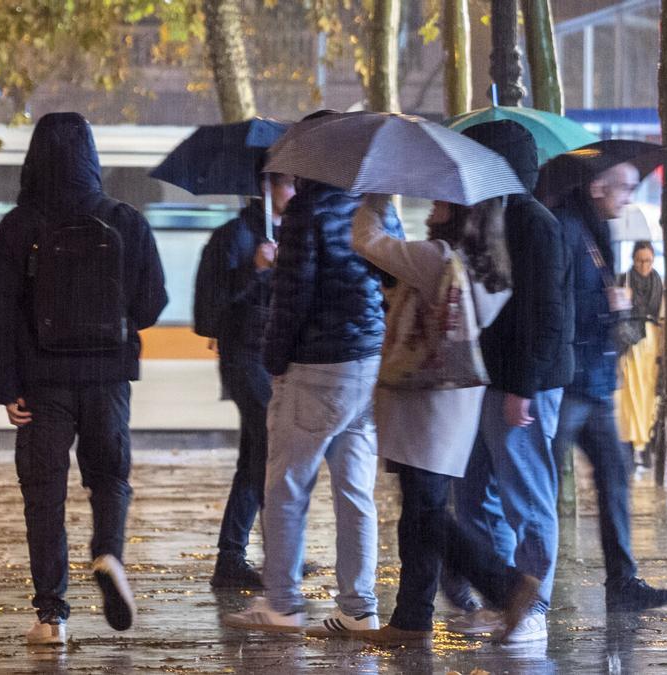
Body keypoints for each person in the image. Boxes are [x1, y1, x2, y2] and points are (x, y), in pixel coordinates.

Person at [0, 112, 168, 645]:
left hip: (41, 386)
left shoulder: (18, 225)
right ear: (92, 155)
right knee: (109, 477)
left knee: (44, 495)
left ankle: (51, 617)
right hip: (108, 381)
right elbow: (152, 304)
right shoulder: (125, 220)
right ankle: (108, 552)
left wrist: (4, 387)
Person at [223, 146, 403, 635]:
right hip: (368, 363)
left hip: (317, 366)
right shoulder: (377, 207)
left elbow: (293, 296)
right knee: (355, 491)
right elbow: (395, 276)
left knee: (285, 487)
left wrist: (275, 362)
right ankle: (358, 607)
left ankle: (282, 602)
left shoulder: (308, 210)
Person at [349, 193, 543, 646]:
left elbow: (367, 241)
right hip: (454, 400)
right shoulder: (488, 269)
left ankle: (505, 584)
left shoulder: (438, 258)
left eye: (441, 204)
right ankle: (412, 620)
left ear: (464, 213)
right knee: (420, 507)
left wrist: (375, 196)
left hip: (426, 399)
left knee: (426, 512)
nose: (431, 207)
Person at [449, 120, 575, 644]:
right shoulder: (486, 221)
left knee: (526, 492)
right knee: (474, 490)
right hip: (488, 380)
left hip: (522, 384)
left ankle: (534, 604)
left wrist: (522, 387)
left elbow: (546, 316)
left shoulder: (533, 224)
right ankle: (503, 593)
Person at [551, 166, 667, 612]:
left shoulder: (595, 232)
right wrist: (605, 306)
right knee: (539, 483)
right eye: (625, 187)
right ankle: (517, 582)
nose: (630, 196)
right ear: (596, 186)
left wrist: (614, 309)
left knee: (614, 476)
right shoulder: (570, 230)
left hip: (595, 382)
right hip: (573, 383)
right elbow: (560, 304)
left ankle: (622, 581)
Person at [193, 172, 296, 589]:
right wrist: (254, 270)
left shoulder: (292, 235)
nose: (297, 192)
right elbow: (208, 311)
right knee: (269, 451)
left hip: (275, 359)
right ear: (268, 184)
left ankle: (235, 557)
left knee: (256, 457)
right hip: (244, 358)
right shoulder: (232, 237)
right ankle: (275, 555)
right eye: (290, 182)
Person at [615, 241, 664, 467]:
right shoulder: (623, 280)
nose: (644, 265)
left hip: (651, 345)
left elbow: (661, 316)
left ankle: (644, 444)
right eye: (640, 261)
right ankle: (630, 443)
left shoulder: (658, 282)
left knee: (647, 395)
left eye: (648, 261)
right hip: (629, 345)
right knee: (629, 395)